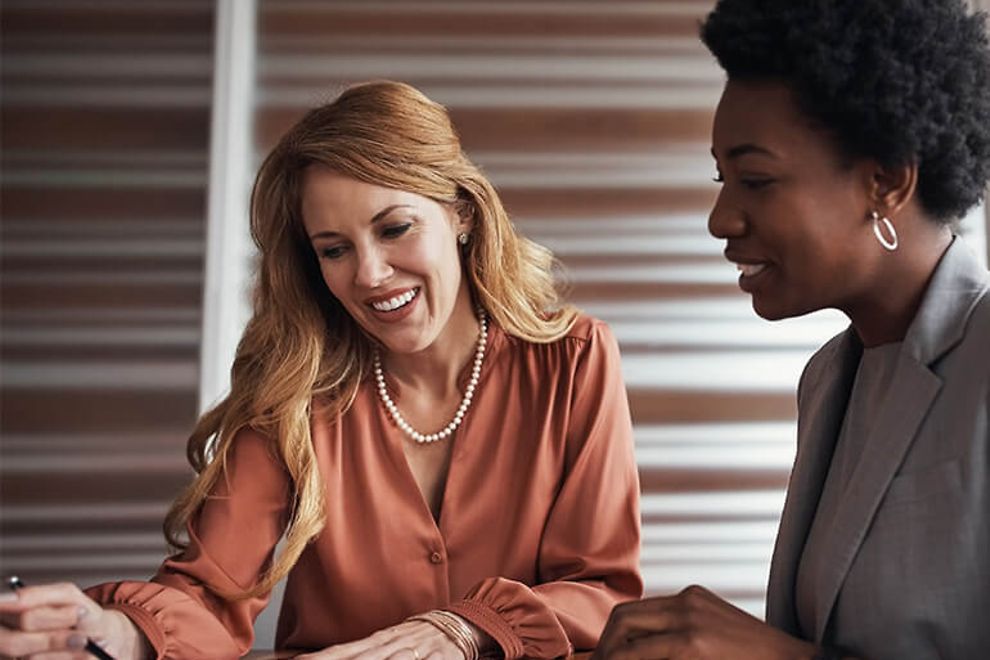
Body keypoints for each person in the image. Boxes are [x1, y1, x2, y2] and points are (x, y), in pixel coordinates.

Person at [0, 81, 643, 659]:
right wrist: (115, 632)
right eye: (334, 249)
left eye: (394, 229)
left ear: (462, 214)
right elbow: (210, 595)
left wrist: (463, 628)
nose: (369, 275)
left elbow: (601, 591)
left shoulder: (574, 359)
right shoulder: (292, 390)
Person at [593, 0, 990, 659]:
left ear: (885, 182)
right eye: (722, 179)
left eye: (756, 180)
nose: (721, 219)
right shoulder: (830, 376)